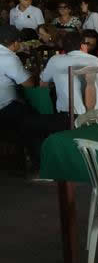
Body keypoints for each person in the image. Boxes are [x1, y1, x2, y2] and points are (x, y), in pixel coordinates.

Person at [0, 25, 48, 174]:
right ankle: (39, 166)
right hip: (4, 108)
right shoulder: (8, 57)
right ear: (15, 43)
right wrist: (32, 73)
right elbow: (29, 84)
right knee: (34, 121)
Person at [40, 31, 98, 116]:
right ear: (82, 45)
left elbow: (43, 83)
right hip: (97, 111)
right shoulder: (94, 59)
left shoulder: (55, 60)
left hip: (70, 114)